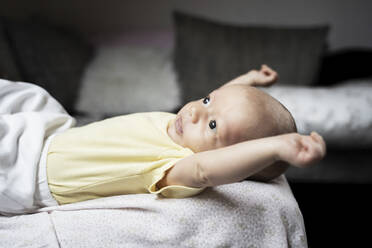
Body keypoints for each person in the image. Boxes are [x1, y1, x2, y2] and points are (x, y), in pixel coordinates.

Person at [0, 65, 326, 215]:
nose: (197, 111)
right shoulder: (184, 125)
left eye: (212, 126)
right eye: (206, 100)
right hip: (54, 136)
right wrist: (251, 80)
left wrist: (276, 147)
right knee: (31, 98)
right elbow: (225, 103)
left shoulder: (173, 165)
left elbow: (205, 170)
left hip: (28, 174)